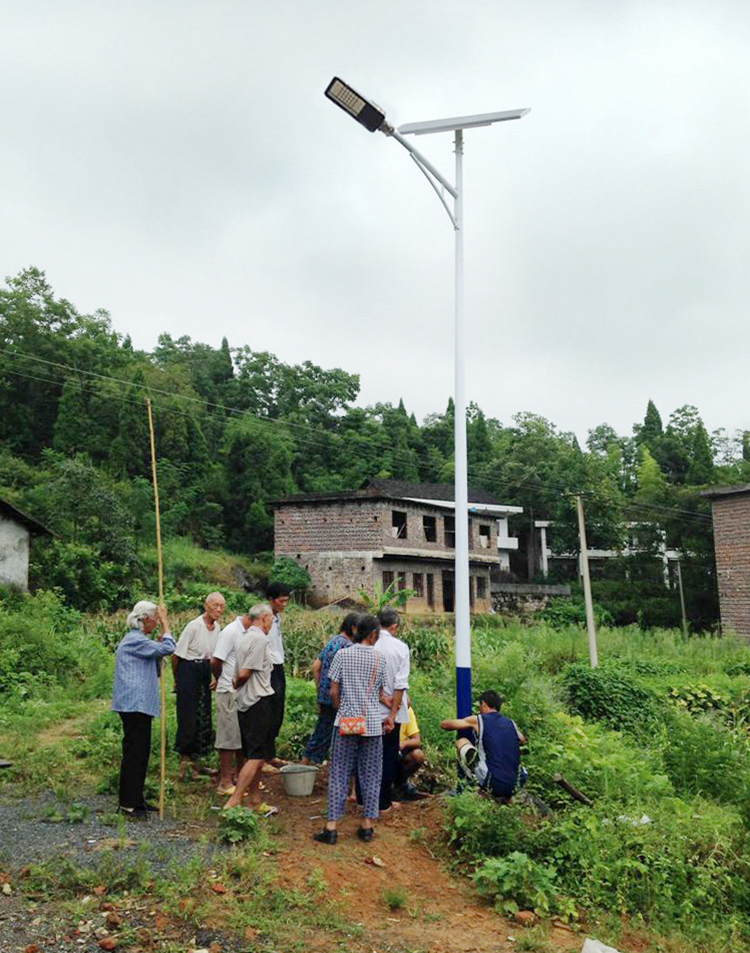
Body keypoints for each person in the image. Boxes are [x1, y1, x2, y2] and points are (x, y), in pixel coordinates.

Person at [314, 614, 388, 844]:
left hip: (346, 721)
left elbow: (333, 690)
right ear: (372, 634)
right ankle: (367, 825)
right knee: (371, 773)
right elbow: (380, 692)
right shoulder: (380, 658)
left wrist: (340, 708)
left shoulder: (343, 654)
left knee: (339, 771)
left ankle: (331, 827)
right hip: (372, 724)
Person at [112, 600, 175, 818]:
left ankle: (136, 799)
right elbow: (170, 648)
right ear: (146, 619)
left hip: (139, 705)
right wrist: (166, 623)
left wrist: (158, 646)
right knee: (135, 753)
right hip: (134, 705)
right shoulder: (135, 640)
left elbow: (155, 668)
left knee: (140, 753)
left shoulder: (141, 642)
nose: (156, 623)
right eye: (155, 619)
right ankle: (128, 804)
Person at [223, 604, 278, 813]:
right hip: (257, 702)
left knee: (253, 754)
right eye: (271, 619)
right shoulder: (259, 639)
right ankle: (234, 801)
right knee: (256, 756)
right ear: (264, 618)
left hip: (245, 702)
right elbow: (245, 673)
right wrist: (236, 683)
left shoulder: (245, 637)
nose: (272, 623)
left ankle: (255, 799)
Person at [172, 591, 226, 779]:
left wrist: (216, 677)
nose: (219, 609)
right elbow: (176, 656)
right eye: (215, 605)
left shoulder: (217, 628)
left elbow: (214, 658)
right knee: (188, 716)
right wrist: (177, 680)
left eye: (222, 606)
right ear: (206, 606)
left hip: (204, 669)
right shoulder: (193, 626)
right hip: (188, 669)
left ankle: (198, 762)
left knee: (203, 715)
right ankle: (185, 763)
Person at [441, 690, 527, 802]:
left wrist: (444, 721)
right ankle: (506, 797)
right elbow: (522, 740)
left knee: (461, 741)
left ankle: (464, 787)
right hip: (515, 784)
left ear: (484, 704)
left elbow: (446, 725)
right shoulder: (511, 723)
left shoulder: (478, 720)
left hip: (491, 780)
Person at [301, 612, 360, 766]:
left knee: (321, 730)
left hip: (325, 695)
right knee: (343, 735)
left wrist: (320, 690)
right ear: (354, 628)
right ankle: (320, 765)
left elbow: (316, 666)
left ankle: (305, 763)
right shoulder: (349, 647)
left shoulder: (333, 641)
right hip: (339, 698)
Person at [211, 608, 252, 796]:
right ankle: (225, 782)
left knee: (239, 736)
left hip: (240, 692)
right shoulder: (230, 632)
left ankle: (239, 778)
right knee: (228, 737)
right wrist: (220, 679)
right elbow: (215, 661)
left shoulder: (247, 633)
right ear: (251, 619)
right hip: (228, 690)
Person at [374, 607, 410, 813]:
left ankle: (362, 798)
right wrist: (393, 714)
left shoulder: (368, 644)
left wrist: (380, 696)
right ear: (394, 626)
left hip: (370, 711)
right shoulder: (401, 648)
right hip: (391, 714)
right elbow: (400, 684)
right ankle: (383, 802)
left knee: (368, 755)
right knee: (388, 756)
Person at [266, 582, 291, 763]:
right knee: (268, 711)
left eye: (286, 601)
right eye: (281, 601)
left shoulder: (277, 618)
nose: (284, 604)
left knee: (277, 710)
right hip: (268, 667)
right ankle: (262, 757)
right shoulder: (265, 618)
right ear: (271, 600)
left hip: (278, 665)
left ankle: (270, 754)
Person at [392, 704, 428, 801]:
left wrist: (403, 744)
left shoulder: (407, 710)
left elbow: (417, 740)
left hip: (400, 752)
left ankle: (400, 784)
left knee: (417, 756)